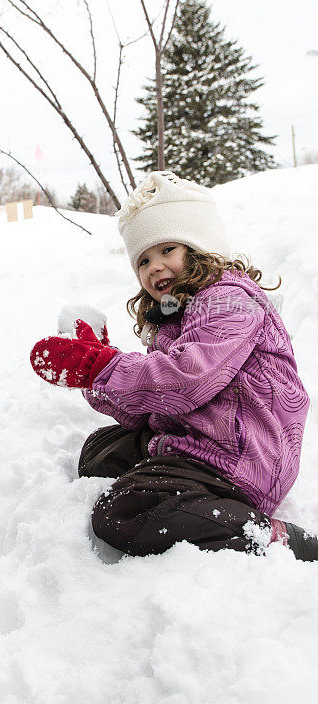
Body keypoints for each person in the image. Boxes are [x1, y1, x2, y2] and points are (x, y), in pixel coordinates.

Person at [30, 170, 317, 560]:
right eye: (143, 260)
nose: (154, 267)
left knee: (124, 512)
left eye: (167, 250)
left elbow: (185, 379)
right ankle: (169, 481)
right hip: (199, 439)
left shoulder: (229, 302)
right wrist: (97, 375)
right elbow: (155, 402)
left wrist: (107, 367)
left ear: (199, 247)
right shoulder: (174, 313)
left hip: (242, 458)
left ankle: (272, 536)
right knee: (98, 451)